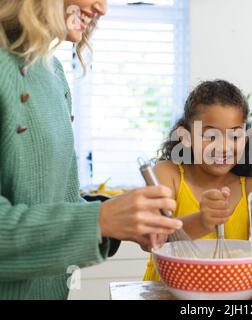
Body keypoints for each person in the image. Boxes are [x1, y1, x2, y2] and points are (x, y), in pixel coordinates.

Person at [0, 0, 182, 300]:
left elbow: (58, 204)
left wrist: (116, 223)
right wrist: (100, 219)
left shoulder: (52, 70)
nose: (102, 7)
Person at [143, 80, 252, 281]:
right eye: (210, 136)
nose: (223, 147)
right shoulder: (167, 174)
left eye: (235, 136)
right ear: (186, 137)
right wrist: (202, 221)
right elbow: (153, 236)